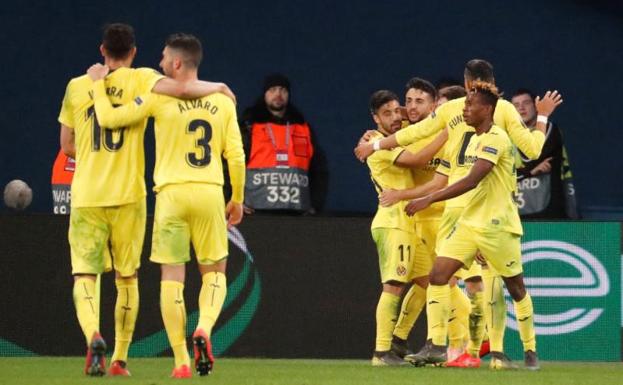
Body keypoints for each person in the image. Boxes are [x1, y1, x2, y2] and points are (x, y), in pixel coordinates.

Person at [355, 58, 562, 369]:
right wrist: (542, 117)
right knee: (476, 282)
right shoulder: (500, 110)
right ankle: (484, 351)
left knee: (447, 280)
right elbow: (532, 151)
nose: (466, 107)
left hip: (457, 207)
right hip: (477, 207)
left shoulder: (458, 113)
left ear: (470, 84)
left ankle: (451, 346)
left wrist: (377, 144)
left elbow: (420, 135)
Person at [58, 23, 232, 377]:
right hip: (129, 196)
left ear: (101, 50)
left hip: (88, 195)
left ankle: (93, 335)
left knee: (85, 276)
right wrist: (219, 86)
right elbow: (183, 88)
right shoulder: (142, 79)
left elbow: (66, 145)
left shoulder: (77, 86)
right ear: (134, 53)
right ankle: (120, 359)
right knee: (128, 278)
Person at [405, 81, 541, 370]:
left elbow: (470, 181)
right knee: (438, 274)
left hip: (498, 226)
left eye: (470, 104)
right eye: (465, 103)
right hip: (470, 224)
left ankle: (530, 352)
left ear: (488, 109)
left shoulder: (496, 138)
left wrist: (428, 199)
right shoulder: (473, 139)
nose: (465, 108)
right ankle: (437, 345)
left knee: (515, 288)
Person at [379, 82, 474, 362]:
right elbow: (388, 123)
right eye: (409, 101)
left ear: (434, 107)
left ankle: (459, 346)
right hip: (414, 218)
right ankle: (441, 345)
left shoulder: (454, 135)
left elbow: (438, 179)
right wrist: (373, 139)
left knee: (442, 283)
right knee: (430, 283)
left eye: (420, 101)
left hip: (445, 216)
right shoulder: (406, 131)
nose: (411, 106)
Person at [364, 90, 447, 366]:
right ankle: (381, 352)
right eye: (386, 113)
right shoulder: (377, 142)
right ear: (375, 118)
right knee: (394, 286)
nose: (395, 117)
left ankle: (399, 340)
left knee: (430, 281)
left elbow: (416, 133)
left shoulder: (394, 136)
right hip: (392, 222)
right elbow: (417, 160)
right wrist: (449, 131)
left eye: (395, 110)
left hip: (408, 222)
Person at [240, 74, 315, 213]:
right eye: (273, 89)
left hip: (296, 213)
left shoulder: (302, 127)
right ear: (265, 94)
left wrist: (315, 203)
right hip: (256, 212)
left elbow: (317, 169)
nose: (278, 94)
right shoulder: (249, 126)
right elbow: (232, 166)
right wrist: (235, 200)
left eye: (283, 90)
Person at [511, 88, 571, 218]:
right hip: (517, 210)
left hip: (547, 208)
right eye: (516, 105)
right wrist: (530, 172)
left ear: (536, 106)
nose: (521, 108)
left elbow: (534, 155)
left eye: (526, 103)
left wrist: (543, 116)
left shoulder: (551, 130)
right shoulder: (508, 135)